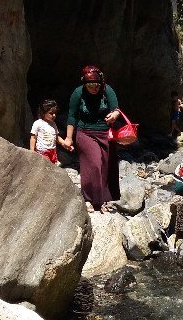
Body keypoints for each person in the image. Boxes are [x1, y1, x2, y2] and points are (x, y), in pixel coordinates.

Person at [64, 65, 122, 213]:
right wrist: (69, 138)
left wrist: (115, 115)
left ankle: (103, 199)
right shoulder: (78, 93)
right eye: (90, 85)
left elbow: (116, 109)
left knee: (105, 167)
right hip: (85, 132)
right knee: (94, 163)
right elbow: (72, 116)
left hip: (105, 133)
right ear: (84, 83)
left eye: (96, 85)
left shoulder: (106, 90)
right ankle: (89, 198)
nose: (94, 88)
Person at [30, 99, 71, 166]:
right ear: (43, 113)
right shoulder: (38, 123)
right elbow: (33, 137)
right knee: (45, 166)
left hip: (52, 151)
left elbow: (57, 137)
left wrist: (64, 143)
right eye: (51, 113)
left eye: (55, 113)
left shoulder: (53, 124)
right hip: (42, 151)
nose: (54, 115)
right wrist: (32, 150)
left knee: (53, 166)